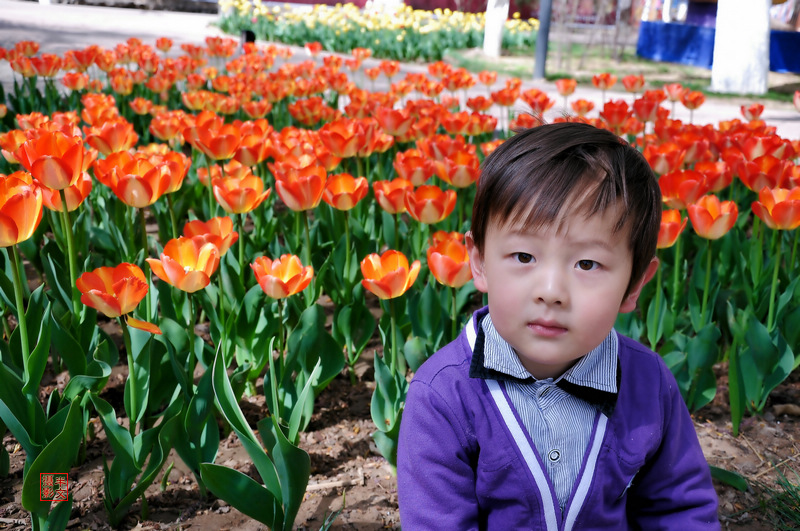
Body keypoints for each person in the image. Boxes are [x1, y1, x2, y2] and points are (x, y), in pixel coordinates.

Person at [397, 122, 719, 529]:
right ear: (478, 262)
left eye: (587, 264)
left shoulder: (647, 383)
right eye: (523, 257)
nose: (551, 292)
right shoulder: (444, 396)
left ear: (635, 284)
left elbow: (679, 511)